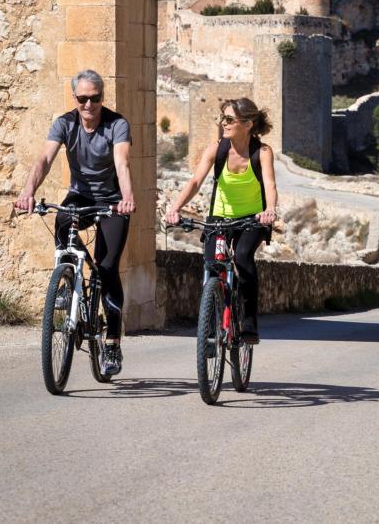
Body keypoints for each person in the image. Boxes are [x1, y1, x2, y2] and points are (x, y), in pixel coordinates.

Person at [15, 69, 136, 376]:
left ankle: (111, 342)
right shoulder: (65, 123)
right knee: (60, 221)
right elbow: (44, 159)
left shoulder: (116, 124)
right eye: (82, 98)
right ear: (75, 99)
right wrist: (28, 192)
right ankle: (69, 279)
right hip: (80, 196)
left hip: (112, 200)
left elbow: (122, 161)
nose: (89, 105)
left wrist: (128, 196)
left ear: (102, 98)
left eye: (95, 98)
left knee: (107, 268)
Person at [166, 97, 278, 344]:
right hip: (219, 218)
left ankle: (248, 320)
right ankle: (210, 319)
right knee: (213, 264)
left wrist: (270, 209)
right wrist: (174, 208)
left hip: (252, 219)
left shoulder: (262, 152)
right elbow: (195, 182)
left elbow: (269, 184)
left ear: (248, 124)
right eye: (222, 118)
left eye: (229, 119)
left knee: (241, 257)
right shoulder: (216, 149)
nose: (223, 123)